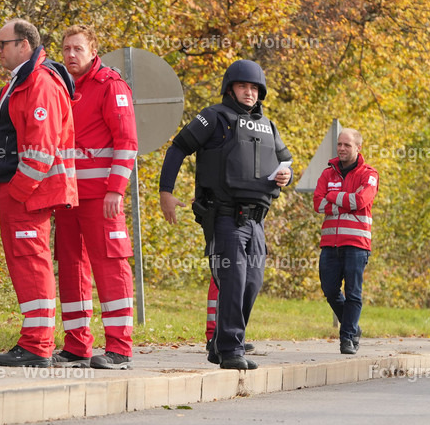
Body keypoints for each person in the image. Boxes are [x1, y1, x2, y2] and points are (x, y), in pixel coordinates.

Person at [159, 59, 292, 370]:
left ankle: (221, 343)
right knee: (233, 279)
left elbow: (285, 162)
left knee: (252, 282)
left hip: (257, 221)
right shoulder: (213, 117)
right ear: (230, 89)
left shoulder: (268, 125)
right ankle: (231, 349)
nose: (249, 92)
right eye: (242, 86)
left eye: (254, 88)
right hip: (225, 217)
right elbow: (178, 147)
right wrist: (166, 192)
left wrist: (286, 175)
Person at [0, 19, 77, 367]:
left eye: (2, 44)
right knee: (24, 265)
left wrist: (19, 191)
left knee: (32, 265)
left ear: (23, 44)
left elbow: (40, 148)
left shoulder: (39, 82)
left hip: (28, 193)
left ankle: (37, 345)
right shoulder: (23, 79)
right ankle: (34, 341)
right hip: (18, 192)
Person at [52, 24, 137, 370]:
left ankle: (120, 348)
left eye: (78, 49)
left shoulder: (110, 85)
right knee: (71, 269)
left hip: (101, 197)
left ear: (93, 51)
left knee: (110, 267)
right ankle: (76, 346)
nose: (71, 55)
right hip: (67, 197)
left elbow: (127, 142)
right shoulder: (61, 85)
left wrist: (116, 189)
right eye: (66, 49)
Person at [313, 128, 378, 355]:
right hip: (330, 243)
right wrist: (344, 200)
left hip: (357, 243)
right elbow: (318, 204)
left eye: (347, 145)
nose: (341, 148)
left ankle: (347, 337)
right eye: (339, 144)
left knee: (353, 293)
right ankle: (353, 326)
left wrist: (333, 196)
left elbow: (360, 201)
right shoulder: (327, 173)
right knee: (330, 290)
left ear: (358, 148)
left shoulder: (369, 174)